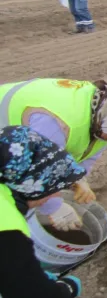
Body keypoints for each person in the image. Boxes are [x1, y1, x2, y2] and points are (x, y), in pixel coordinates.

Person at [0, 74, 107, 231]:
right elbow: (34, 172)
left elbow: (87, 153)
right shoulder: (56, 124)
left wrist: (77, 178)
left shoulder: (103, 117)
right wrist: (54, 208)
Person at [0, 125, 86, 297]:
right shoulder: (8, 229)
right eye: (52, 185)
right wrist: (65, 288)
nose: (57, 193)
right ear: (31, 185)